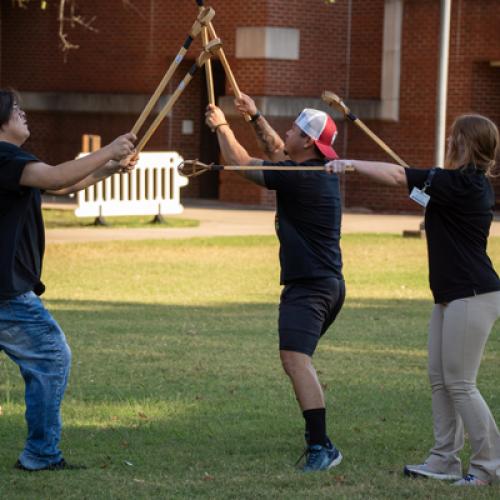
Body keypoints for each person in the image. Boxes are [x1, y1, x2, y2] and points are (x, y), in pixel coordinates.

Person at [328, 113, 500, 486]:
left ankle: (489, 466)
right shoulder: (454, 184)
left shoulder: (463, 184)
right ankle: (443, 460)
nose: (450, 142)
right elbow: (415, 187)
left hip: (473, 294)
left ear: (466, 144)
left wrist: (350, 164)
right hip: (451, 296)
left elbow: (394, 176)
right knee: (441, 380)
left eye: (455, 137)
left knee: (461, 383)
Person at [205, 95, 345, 472]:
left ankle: (322, 447)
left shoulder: (302, 178)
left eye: (295, 130)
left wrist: (221, 126)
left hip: (312, 286)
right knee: (297, 359)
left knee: (295, 359)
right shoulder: (309, 168)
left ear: (308, 143)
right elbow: (278, 149)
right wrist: (254, 117)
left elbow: (240, 163)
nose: (287, 132)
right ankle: (318, 438)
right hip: (323, 283)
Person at [0, 89, 137, 471]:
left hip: (8, 288)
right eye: (16, 110)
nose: (23, 114)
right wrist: (109, 149)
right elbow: (58, 174)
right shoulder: (4, 156)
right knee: (50, 355)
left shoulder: (12, 162)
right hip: (7, 293)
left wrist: (108, 168)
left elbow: (60, 185)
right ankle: (41, 453)